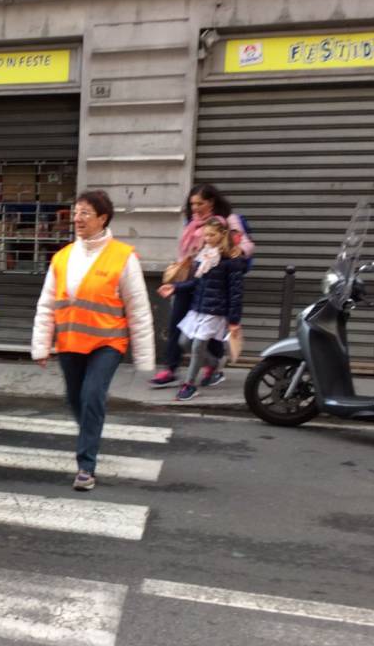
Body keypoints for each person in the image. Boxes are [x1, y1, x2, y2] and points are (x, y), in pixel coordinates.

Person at [31, 190, 155, 491]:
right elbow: (47, 304)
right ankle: (91, 429)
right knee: (75, 400)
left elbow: (138, 307)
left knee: (91, 396)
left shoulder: (122, 257)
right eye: (76, 212)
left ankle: (86, 466)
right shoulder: (62, 257)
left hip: (107, 343)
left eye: (85, 212)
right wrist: (41, 345)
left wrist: (145, 356)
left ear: (103, 218)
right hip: (70, 342)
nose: (77, 218)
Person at [150, 184, 253, 389]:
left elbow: (244, 247)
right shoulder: (192, 224)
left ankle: (210, 367)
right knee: (177, 323)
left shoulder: (226, 222)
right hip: (190, 280)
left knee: (211, 329)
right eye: (192, 204)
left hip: (214, 282)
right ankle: (171, 368)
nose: (195, 208)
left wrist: (235, 253)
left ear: (211, 202)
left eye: (200, 203)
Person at [157, 217, 245, 402]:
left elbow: (235, 292)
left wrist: (234, 321)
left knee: (197, 346)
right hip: (198, 307)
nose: (207, 239)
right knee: (184, 342)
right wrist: (175, 288)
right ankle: (214, 364)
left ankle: (189, 385)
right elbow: (196, 283)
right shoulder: (204, 255)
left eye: (212, 235)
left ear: (222, 234)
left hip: (215, 311)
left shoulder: (232, 260)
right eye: (205, 235)